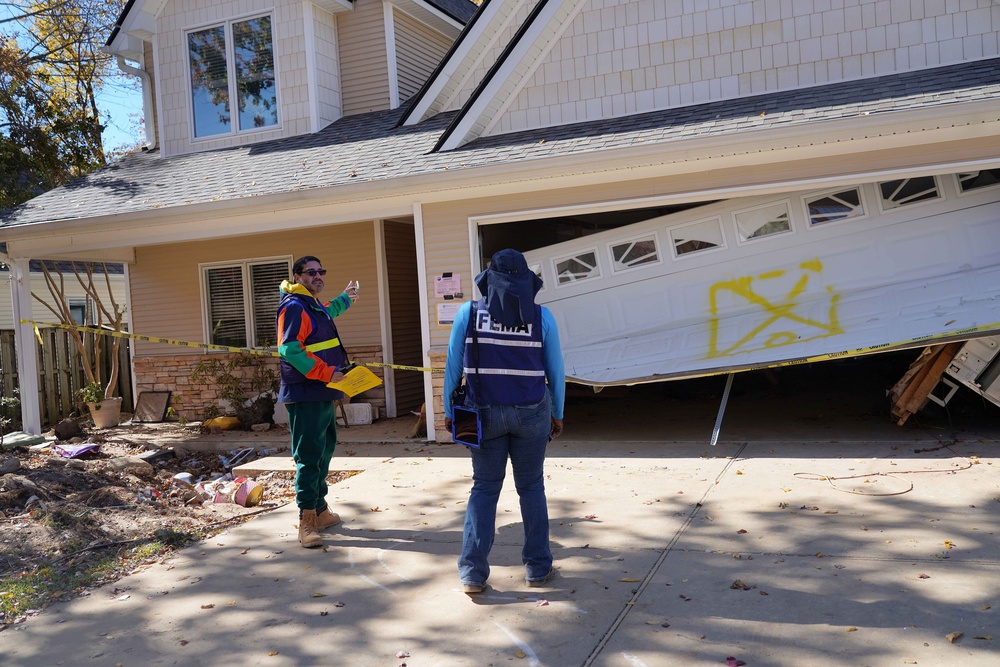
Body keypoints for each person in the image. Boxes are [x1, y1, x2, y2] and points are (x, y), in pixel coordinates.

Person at [444, 248, 565, 594]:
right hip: (532, 412)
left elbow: (453, 368)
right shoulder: (542, 318)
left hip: (481, 414)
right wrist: (557, 412)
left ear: (488, 280)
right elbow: (555, 371)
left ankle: (472, 573)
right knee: (531, 488)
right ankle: (538, 569)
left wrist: (449, 411)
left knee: (484, 488)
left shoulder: (467, 314)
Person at [277, 256, 359, 548]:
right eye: (311, 272)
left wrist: (345, 299)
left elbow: (326, 312)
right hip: (306, 391)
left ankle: (320, 509)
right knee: (309, 456)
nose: (318, 276)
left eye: (321, 271)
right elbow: (289, 349)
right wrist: (327, 373)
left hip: (324, 389)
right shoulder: (293, 306)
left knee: (324, 450)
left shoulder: (310, 305)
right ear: (298, 276)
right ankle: (307, 520)